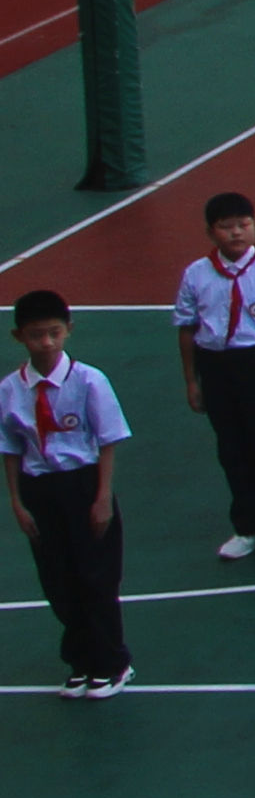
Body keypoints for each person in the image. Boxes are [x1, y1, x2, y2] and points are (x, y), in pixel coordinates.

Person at [8, 292, 136, 696]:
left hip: (82, 483)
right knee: (58, 580)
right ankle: (81, 660)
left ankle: (113, 663)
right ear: (19, 337)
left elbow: (108, 440)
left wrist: (103, 497)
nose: (46, 342)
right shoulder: (11, 389)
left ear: (68, 330)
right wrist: (17, 502)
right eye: (36, 335)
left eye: (54, 333)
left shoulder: (89, 380)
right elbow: (10, 449)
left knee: (96, 577)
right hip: (39, 488)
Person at [173, 192, 255, 563]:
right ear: (210, 232)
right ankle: (247, 526)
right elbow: (187, 328)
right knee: (232, 449)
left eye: (243, 225)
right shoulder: (196, 274)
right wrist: (192, 380)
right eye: (226, 226)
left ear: (254, 226)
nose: (236, 233)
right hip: (216, 365)